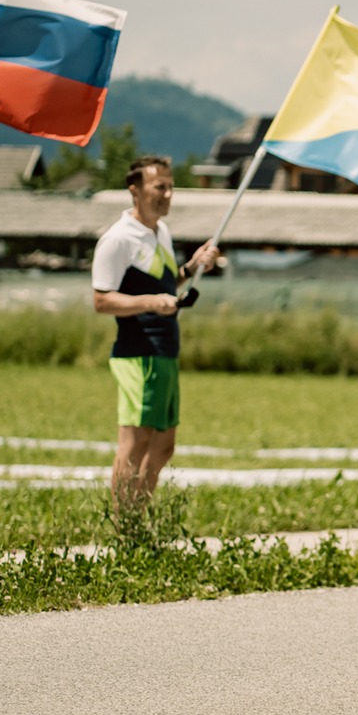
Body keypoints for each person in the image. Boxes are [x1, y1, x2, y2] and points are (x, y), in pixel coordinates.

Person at [91, 155, 222, 510]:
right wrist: (150, 302)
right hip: (138, 353)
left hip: (165, 350)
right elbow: (102, 300)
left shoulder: (160, 232)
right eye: (159, 187)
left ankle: (138, 515)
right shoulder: (118, 239)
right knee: (136, 442)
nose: (167, 194)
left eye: (170, 187)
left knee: (163, 446)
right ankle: (124, 524)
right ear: (135, 191)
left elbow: (163, 285)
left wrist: (191, 268)